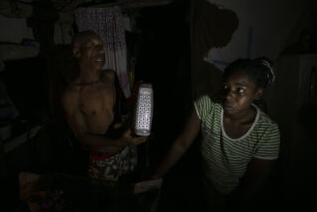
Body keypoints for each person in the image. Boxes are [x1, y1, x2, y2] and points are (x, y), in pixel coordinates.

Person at [152, 57, 280, 211]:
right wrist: (155, 177)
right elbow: (182, 143)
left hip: (242, 195)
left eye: (240, 90)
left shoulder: (267, 132)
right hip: (208, 184)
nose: (228, 96)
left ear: (257, 93)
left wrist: (236, 203)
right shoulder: (207, 105)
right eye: (226, 87)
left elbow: (254, 181)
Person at [61, 30, 147, 181]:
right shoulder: (72, 94)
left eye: (100, 45)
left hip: (128, 149)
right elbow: (82, 136)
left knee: (132, 189)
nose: (100, 50)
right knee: (108, 200)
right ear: (77, 52)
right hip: (105, 158)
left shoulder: (110, 76)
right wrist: (118, 142)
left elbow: (121, 109)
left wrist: (135, 99)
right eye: (92, 45)